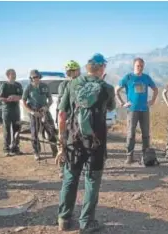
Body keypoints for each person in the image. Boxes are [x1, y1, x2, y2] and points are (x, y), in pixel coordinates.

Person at [56, 53, 115, 233]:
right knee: (92, 180)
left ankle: (64, 219)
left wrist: (61, 143)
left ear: (87, 68)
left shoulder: (72, 84)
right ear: (101, 68)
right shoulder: (107, 87)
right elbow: (111, 107)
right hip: (96, 141)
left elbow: (62, 115)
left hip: (74, 139)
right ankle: (86, 222)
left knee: (70, 177)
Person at [115, 57, 158, 164]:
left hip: (144, 109)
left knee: (146, 134)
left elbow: (155, 89)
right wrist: (122, 103)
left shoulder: (146, 77)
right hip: (132, 110)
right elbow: (117, 90)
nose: (140, 68)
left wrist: (152, 100)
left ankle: (146, 157)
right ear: (134, 66)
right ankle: (129, 157)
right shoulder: (128, 77)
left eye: (141, 66)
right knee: (131, 134)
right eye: (138, 66)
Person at [22, 69, 58, 160]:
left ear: (39, 77)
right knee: (34, 134)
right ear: (31, 78)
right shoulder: (28, 87)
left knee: (51, 131)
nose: (35, 79)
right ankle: (37, 152)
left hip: (44, 111)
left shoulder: (45, 86)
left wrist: (46, 107)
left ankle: (55, 151)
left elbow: (50, 99)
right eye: (33, 77)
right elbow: (24, 101)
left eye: (37, 77)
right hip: (34, 112)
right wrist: (32, 112)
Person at [56, 60, 81, 178]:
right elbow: (62, 106)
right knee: (62, 143)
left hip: (74, 121)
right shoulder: (64, 85)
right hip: (67, 119)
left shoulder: (79, 84)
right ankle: (62, 168)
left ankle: (73, 167)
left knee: (73, 144)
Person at [0, 69, 23, 156]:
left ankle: (15, 148)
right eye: (12, 74)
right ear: (8, 75)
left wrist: (16, 97)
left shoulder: (18, 85)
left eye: (15, 74)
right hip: (7, 110)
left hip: (16, 110)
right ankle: (6, 149)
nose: (14, 75)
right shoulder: (4, 85)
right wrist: (8, 99)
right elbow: (0, 97)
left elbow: (21, 96)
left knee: (17, 129)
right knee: (7, 130)